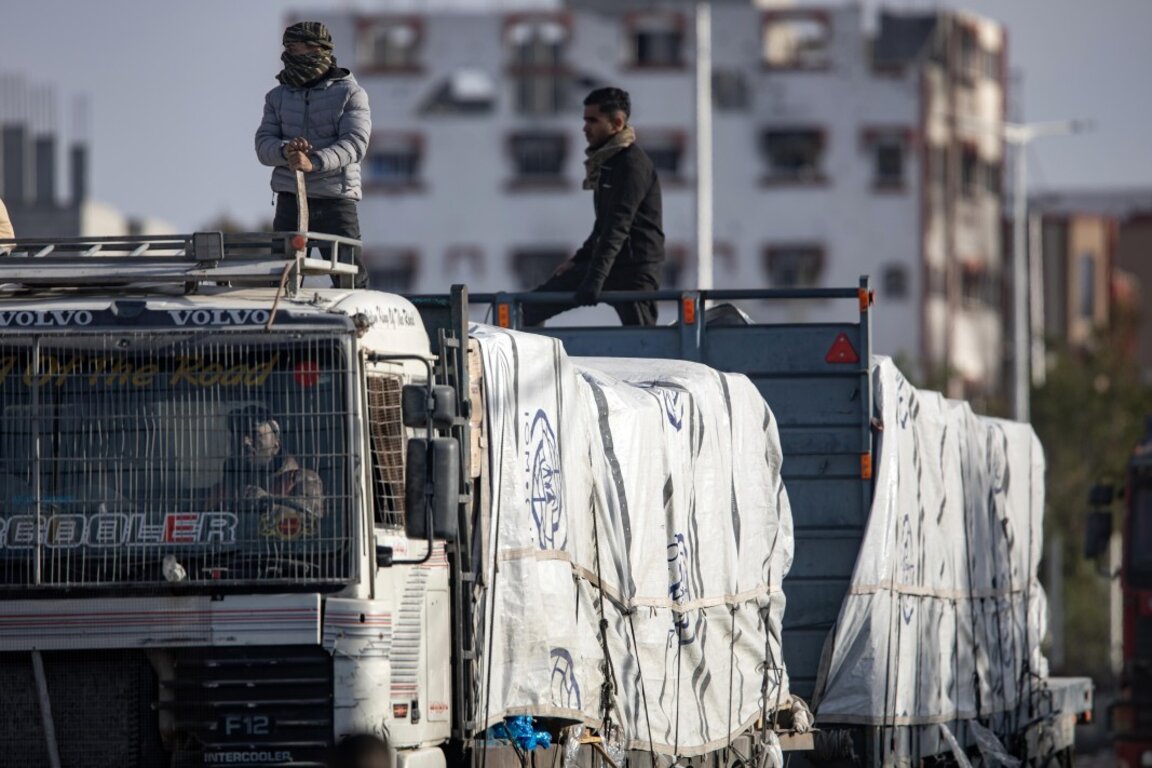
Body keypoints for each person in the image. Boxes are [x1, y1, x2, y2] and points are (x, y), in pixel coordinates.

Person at [523, 87, 665, 327]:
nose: (585, 128)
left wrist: (593, 281)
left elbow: (617, 227)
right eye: (585, 120)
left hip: (634, 270)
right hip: (612, 263)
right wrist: (578, 262)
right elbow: (603, 226)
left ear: (617, 123)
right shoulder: (608, 163)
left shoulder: (631, 166)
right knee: (529, 308)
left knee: (646, 346)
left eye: (593, 120)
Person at [255, 21, 371, 288]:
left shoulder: (350, 93)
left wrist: (314, 162)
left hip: (336, 200)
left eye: (294, 49)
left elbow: (355, 143)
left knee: (350, 283)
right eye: (286, 49)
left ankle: (359, 328)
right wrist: (287, 152)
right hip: (291, 200)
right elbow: (263, 143)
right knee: (282, 283)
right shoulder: (277, 97)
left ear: (317, 49)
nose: (288, 55)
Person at [211, 405, 324, 517]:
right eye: (240, 434)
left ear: (276, 444)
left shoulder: (303, 479)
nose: (245, 441)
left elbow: (314, 517)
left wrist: (269, 503)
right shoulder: (224, 488)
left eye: (255, 434)